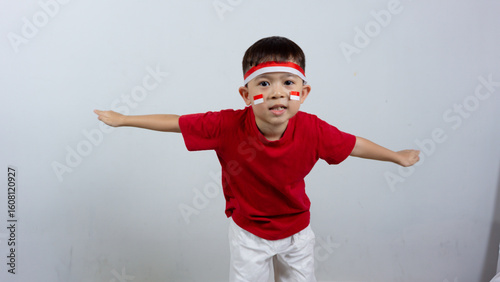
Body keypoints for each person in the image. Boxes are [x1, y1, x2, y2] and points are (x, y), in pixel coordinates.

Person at [94, 36, 420, 282]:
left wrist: (395, 157)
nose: (277, 92)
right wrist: (123, 118)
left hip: (296, 231)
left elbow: (353, 145)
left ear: (303, 93)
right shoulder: (226, 125)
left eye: (288, 83)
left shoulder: (314, 130)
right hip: (248, 233)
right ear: (247, 95)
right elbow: (176, 122)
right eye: (264, 83)